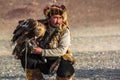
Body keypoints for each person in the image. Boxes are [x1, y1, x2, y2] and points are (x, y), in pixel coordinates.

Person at [20, 4, 76, 80]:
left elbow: (62, 51)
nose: (58, 21)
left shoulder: (64, 31)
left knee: (65, 71)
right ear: (49, 18)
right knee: (27, 58)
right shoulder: (39, 28)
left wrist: (42, 51)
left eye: (60, 18)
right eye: (55, 18)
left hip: (59, 60)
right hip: (42, 60)